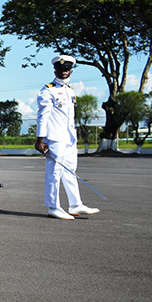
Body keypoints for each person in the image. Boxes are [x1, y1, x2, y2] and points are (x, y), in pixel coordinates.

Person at [35, 55, 100, 220]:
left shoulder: (70, 90)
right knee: (54, 173)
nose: (64, 71)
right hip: (55, 137)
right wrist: (40, 138)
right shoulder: (47, 90)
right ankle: (53, 206)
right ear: (55, 70)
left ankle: (75, 204)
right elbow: (43, 116)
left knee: (70, 171)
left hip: (70, 137)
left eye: (67, 69)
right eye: (61, 69)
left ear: (70, 70)